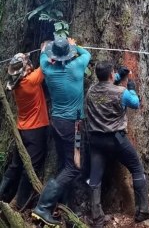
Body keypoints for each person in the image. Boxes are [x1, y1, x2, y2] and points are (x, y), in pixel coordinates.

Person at [32, 37, 91, 226]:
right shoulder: (77, 67)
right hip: (72, 125)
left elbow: (42, 53)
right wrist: (74, 45)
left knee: (66, 164)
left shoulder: (46, 68)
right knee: (74, 167)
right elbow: (86, 53)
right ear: (68, 53)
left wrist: (47, 48)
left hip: (56, 122)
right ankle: (43, 207)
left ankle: (65, 206)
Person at [86, 61, 149, 228]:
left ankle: (96, 217)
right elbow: (135, 103)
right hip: (116, 140)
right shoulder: (121, 92)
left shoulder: (91, 91)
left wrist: (118, 76)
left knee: (95, 178)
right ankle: (143, 210)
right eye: (113, 74)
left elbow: (105, 89)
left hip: (96, 140)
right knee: (137, 169)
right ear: (110, 74)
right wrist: (131, 86)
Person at [0, 53, 49, 210]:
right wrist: (45, 50)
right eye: (27, 63)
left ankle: (2, 194)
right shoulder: (31, 81)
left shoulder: (16, 85)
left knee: (15, 165)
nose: (30, 64)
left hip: (22, 130)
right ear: (25, 69)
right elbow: (46, 64)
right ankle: (18, 204)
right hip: (36, 131)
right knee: (30, 168)